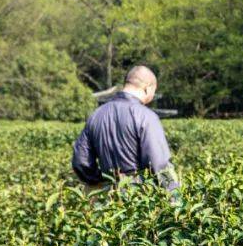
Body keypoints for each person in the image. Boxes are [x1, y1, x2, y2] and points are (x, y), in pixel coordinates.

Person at [71, 65, 181, 200]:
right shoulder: (146, 116)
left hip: (108, 199)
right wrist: (176, 199)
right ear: (147, 88)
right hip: (139, 199)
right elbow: (160, 165)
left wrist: (100, 181)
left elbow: (81, 161)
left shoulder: (96, 115)